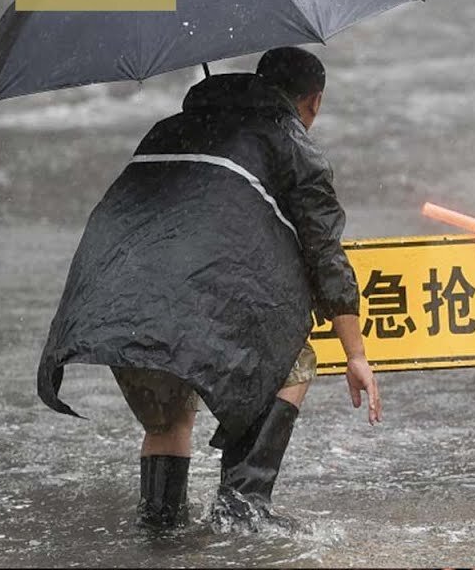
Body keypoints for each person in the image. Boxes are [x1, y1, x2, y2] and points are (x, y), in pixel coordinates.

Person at [37, 46, 381, 529]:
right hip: (198, 302)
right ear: (314, 102)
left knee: (167, 420)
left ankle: (159, 532)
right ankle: (241, 513)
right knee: (291, 362)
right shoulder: (291, 144)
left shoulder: (166, 130)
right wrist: (356, 354)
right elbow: (325, 254)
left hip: (115, 298)